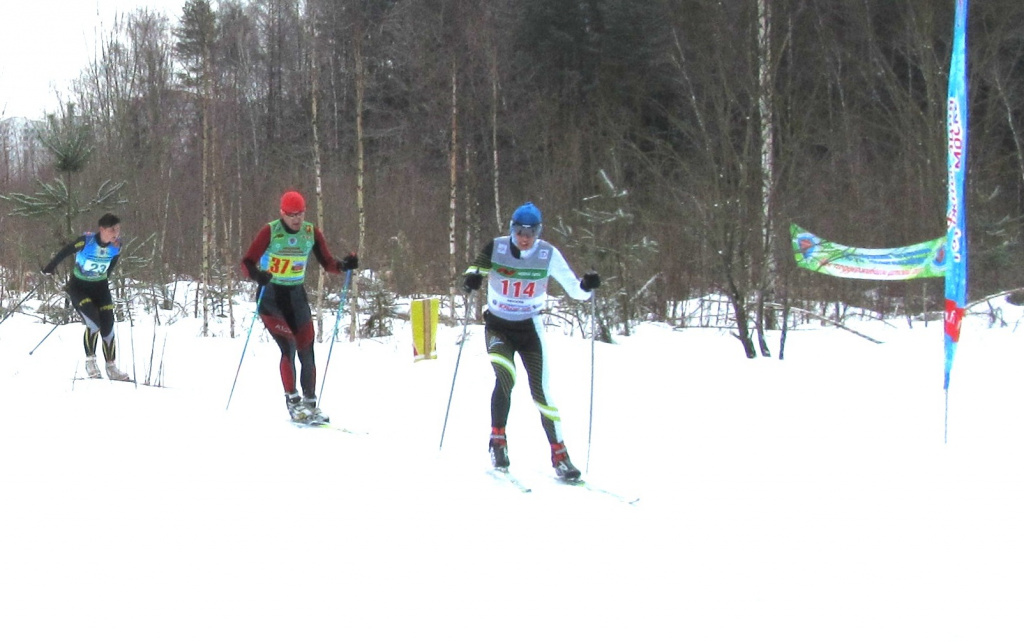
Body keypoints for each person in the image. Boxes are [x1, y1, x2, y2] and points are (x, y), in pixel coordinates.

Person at [462, 201, 600, 480]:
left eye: (531, 232)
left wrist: (587, 286)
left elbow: (576, 290)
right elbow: (471, 272)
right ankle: (498, 440)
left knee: (542, 392)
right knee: (506, 376)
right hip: (498, 327)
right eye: (519, 231)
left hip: (529, 330)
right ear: (512, 229)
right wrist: (471, 281)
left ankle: (560, 455)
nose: (524, 238)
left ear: (538, 232)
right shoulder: (497, 247)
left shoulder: (548, 254)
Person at [240, 190, 358, 424]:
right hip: (271, 297)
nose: (296, 219)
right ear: (282, 213)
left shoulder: (310, 232)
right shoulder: (270, 231)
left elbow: (327, 262)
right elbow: (247, 262)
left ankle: (310, 403)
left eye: (300, 214)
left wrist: (344, 265)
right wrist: (257, 275)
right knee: (289, 347)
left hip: (296, 296)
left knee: (307, 350)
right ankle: (293, 402)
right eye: (291, 214)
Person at [41, 213, 132, 381]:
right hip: (79, 288)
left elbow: (112, 264)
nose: (116, 233)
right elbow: (65, 252)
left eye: (118, 229)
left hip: (100, 288)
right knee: (94, 322)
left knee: (108, 325)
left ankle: (111, 367)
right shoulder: (86, 241)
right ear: (102, 229)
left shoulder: (117, 246)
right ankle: (90, 362)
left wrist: (103, 278)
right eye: (112, 230)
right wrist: (50, 267)